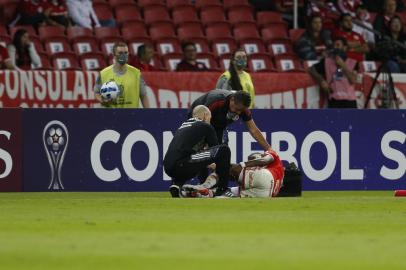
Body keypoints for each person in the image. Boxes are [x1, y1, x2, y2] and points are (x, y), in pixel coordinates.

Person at [164, 105, 234, 198]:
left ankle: (177, 185)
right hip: (183, 163)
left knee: (195, 159)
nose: (210, 121)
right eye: (210, 118)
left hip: (168, 167)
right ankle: (222, 190)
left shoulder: (184, 125)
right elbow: (216, 150)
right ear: (205, 115)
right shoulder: (205, 126)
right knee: (224, 150)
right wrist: (223, 168)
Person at [189, 90, 271, 151]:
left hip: (218, 124)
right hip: (198, 118)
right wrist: (205, 143)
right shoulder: (217, 102)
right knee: (200, 150)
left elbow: (253, 130)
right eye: (237, 109)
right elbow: (202, 124)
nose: (238, 112)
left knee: (222, 151)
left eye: (241, 110)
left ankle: (219, 173)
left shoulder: (242, 108)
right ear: (232, 100)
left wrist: (269, 150)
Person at [183, 150, 285, 198]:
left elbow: (264, 159)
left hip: (264, 177)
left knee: (228, 169)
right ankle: (203, 194)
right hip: (267, 194)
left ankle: (203, 186)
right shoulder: (279, 177)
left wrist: (243, 164)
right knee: (229, 194)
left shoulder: (273, 156)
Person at [94, 42, 150, 108]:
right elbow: (96, 92)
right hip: (111, 116)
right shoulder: (103, 73)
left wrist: (148, 113)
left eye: (126, 53)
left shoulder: (136, 73)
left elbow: (143, 96)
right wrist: (103, 100)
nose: (123, 55)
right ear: (114, 55)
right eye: (120, 53)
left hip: (131, 116)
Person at [309, 37, 359, 108]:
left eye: (338, 45)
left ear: (344, 48)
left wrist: (343, 66)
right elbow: (311, 69)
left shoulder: (353, 62)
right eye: (334, 45)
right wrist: (321, 80)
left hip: (350, 102)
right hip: (334, 101)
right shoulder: (326, 61)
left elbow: (353, 80)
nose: (335, 47)